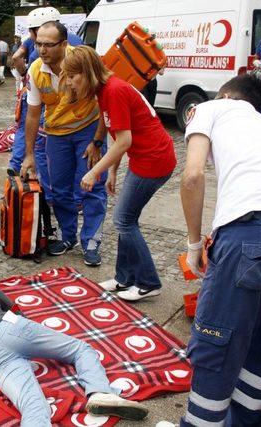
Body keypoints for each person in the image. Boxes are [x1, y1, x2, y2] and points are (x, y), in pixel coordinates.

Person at [179, 74, 261, 426]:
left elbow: (192, 176)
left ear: (226, 94)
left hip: (251, 235)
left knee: (216, 345)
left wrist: (195, 246)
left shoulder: (211, 107)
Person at [0, 274, 149, 426]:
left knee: (31, 404)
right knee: (79, 349)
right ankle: (100, 392)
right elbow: (17, 312)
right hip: (11, 327)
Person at [76, 46, 176, 302]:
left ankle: (148, 282)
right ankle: (124, 279)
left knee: (123, 220)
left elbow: (124, 141)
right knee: (126, 220)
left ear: (86, 72)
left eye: (72, 76)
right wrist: (112, 172)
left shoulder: (114, 91)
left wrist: (94, 173)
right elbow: (119, 134)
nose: (69, 83)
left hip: (153, 160)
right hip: (145, 158)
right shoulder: (105, 89)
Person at [21, 22, 106, 267]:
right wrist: (28, 154)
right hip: (56, 135)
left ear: (64, 44)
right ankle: (68, 236)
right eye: (38, 43)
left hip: (87, 130)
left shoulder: (83, 62)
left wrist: (98, 141)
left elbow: (106, 102)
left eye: (48, 44)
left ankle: (91, 240)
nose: (41, 49)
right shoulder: (36, 70)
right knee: (58, 189)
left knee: (91, 185)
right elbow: (33, 114)